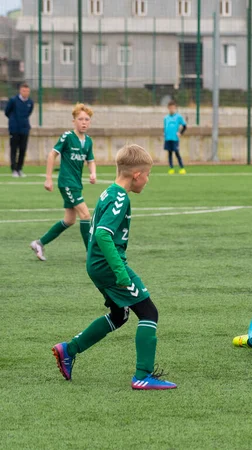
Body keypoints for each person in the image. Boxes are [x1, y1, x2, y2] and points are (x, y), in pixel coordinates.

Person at [52, 144, 177, 389]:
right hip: (110, 267)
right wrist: (120, 272)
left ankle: (69, 349)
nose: (148, 180)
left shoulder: (108, 192)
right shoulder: (120, 198)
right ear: (137, 175)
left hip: (98, 265)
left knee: (119, 315)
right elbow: (102, 233)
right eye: (148, 175)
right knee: (149, 313)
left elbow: (93, 229)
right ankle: (143, 375)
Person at [30, 103, 96, 261]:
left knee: (69, 220)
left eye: (87, 119)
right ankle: (91, 254)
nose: (84, 122)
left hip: (76, 184)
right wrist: (48, 178)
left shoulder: (88, 141)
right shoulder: (67, 137)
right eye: (80, 119)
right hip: (67, 183)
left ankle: (39, 243)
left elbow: (91, 160)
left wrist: (93, 173)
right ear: (74, 121)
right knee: (86, 215)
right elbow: (52, 155)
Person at [4, 82, 34, 177]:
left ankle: (19, 169)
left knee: (22, 149)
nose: (26, 93)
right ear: (20, 91)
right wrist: (14, 121)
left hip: (24, 129)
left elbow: (29, 113)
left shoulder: (30, 102)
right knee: (14, 149)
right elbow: (7, 112)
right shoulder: (13, 100)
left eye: (27, 91)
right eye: (24, 91)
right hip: (14, 129)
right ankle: (14, 170)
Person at [163, 100, 187, 174]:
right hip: (168, 138)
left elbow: (184, 126)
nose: (171, 109)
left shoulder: (178, 117)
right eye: (170, 108)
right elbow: (165, 127)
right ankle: (171, 168)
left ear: (175, 108)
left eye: (173, 108)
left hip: (175, 138)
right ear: (168, 108)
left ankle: (181, 167)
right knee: (169, 153)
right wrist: (164, 133)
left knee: (177, 153)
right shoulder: (166, 118)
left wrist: (180, 133)